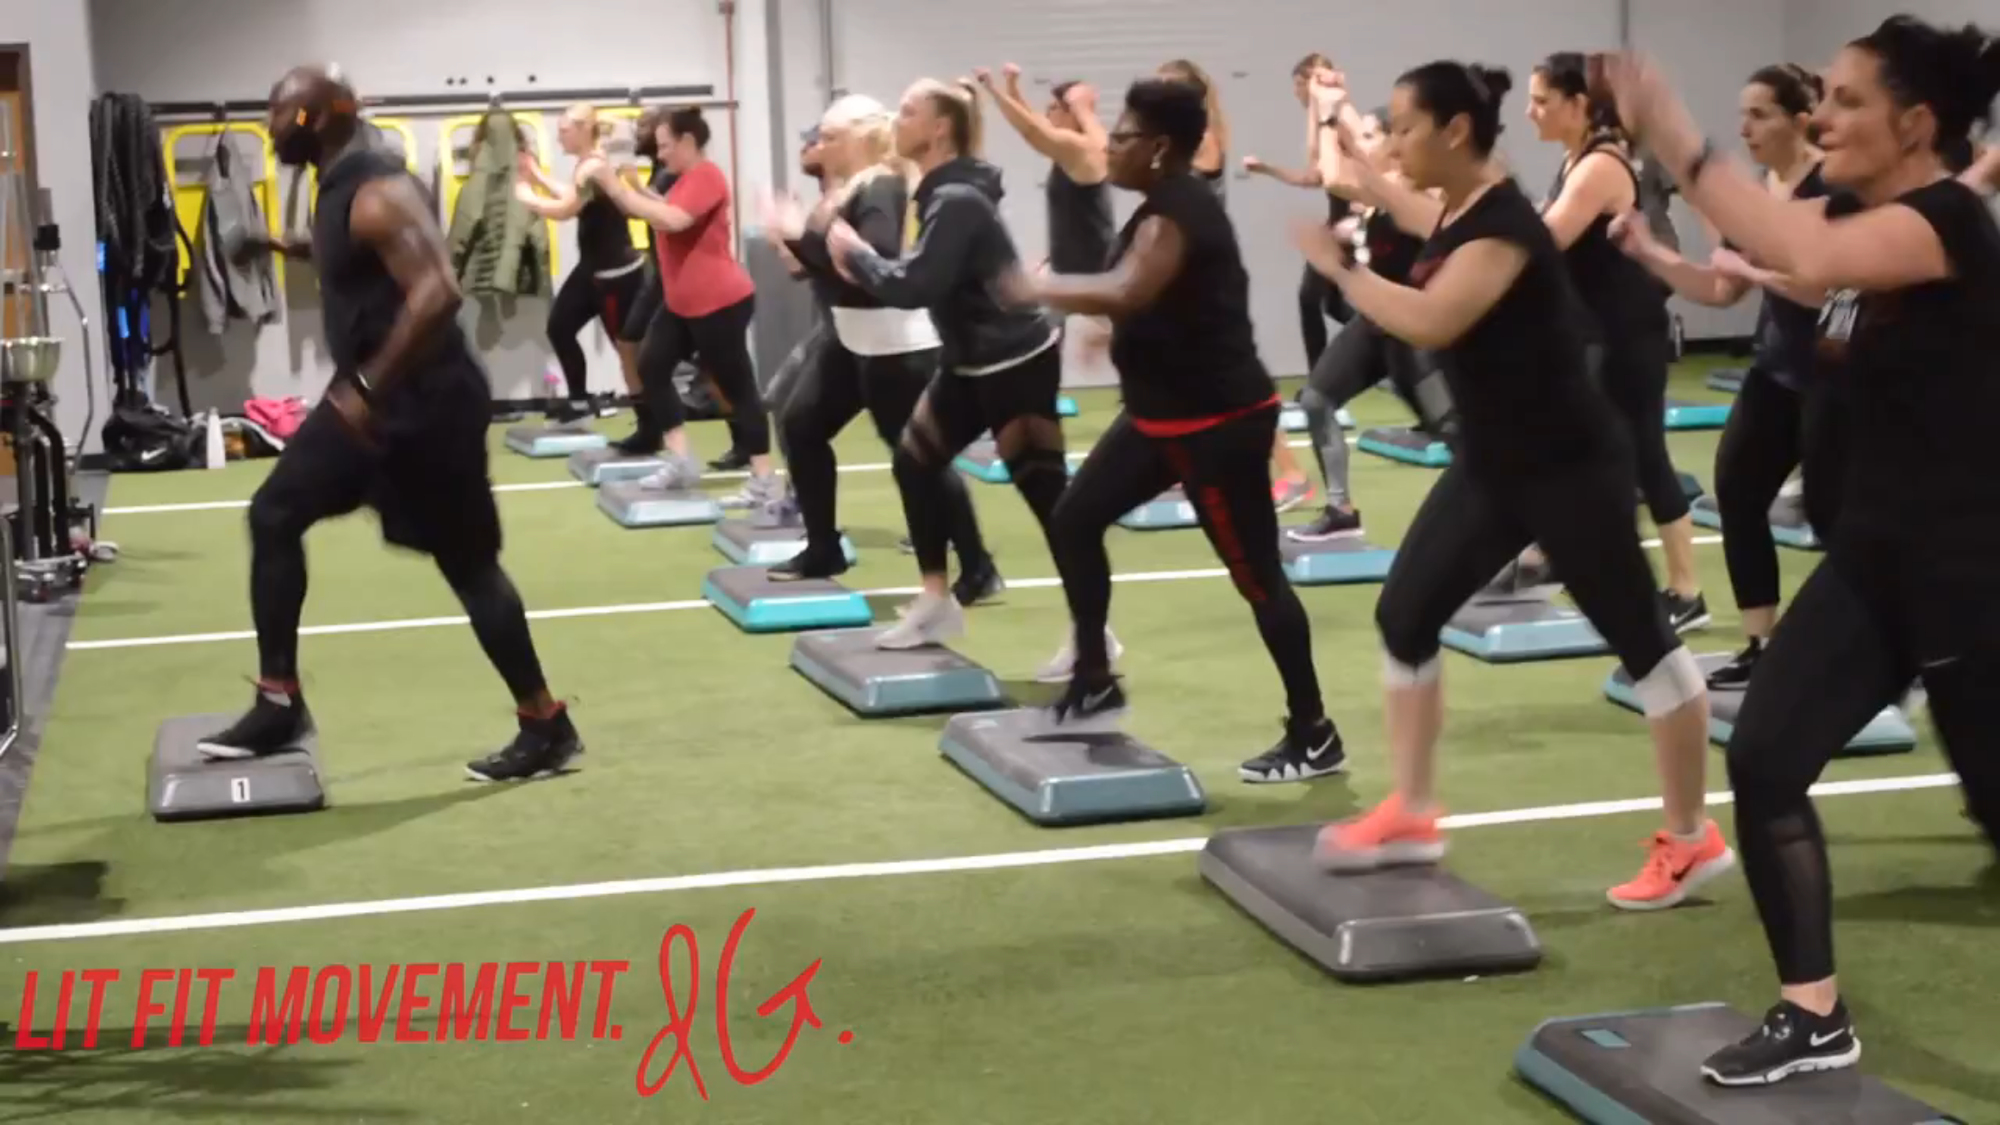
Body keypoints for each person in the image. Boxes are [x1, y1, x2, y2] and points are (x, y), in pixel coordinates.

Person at [1600, 17, 2000, 1085]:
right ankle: (1813, 1013)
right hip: (1873, 564)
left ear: (1914, 124)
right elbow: (1777, 247)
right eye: (1819, 97)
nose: (1821, 119)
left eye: (1847, 100)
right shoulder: (1853, 211)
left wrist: (1673, 133)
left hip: (1970, 577)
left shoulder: (1944, 223)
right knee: (1766, 759)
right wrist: (1668, 244)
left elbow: (1806, 253)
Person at [1296, 61, 1731, 911]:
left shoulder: (1503, 228)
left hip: (1570, 468)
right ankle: (1413, 811)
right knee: (1404, 615)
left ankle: (1692, 839)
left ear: (1456, 131)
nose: (1397, 142)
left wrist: (1343, 273)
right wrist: (1339, 127)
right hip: (1496, 463)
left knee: (1644, 644)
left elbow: (1433, 319)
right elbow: (1403, 202)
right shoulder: (1463, 206)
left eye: (1407, 127)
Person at [200, 65, 582, 782]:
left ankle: (544, 722)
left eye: (280, 114)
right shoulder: (339, 186)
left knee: (469, 567)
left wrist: (368, 388)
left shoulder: (378, 188)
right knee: (275, 514)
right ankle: (279, 700)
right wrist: (276, 244)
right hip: (377, 402)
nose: (271, 128)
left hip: (422, 407)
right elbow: (348, 247)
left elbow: (438, 291)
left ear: (314, 118)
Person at [1015, 78, 1344, 773]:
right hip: (1160, 417)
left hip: (1215, 426)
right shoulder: (1156, 208)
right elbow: (1146, 299)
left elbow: (1130, 288)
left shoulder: (1179, 211)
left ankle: (1314, 731)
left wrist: (1037, 287)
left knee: (1258, 579)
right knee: (1074, 520)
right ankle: (1095, 679)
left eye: (1123, 136)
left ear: (1159, 147)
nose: (1111, 146)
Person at [1610, 64, 1843, 687]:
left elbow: (1830, 289)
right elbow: (1721, 290)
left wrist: (1757, 270)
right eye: (1742, 116)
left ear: (1801, 121)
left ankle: (1898, 652)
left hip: (1838, 379)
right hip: (1777, 372)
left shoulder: (1832, 187)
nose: (1744, 129)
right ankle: (1762, 645)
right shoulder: (1766, 187)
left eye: (1759, 115)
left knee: (1840, 524)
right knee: (1738, 491)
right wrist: (1649, 252)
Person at [821, 78, 1071, 653]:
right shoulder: (936, 192)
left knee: (1051, 504)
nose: (896, 119)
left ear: (938, 129)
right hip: (967, 364)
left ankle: (1093, 636)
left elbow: (915, 286)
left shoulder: (956, 200)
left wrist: (855, 255)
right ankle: (935, 602)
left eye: (908, 111)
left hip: (1014, 365)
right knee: (914, 463)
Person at [763, 95, 1000, 599]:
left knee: (918, 457)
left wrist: (803, 233)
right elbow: (825, 264)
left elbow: (878, 260)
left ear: (860, 138)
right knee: (801, 426)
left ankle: (977, 566)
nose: (820, 144)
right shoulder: (848, 187)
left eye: (830, 137)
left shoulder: (881, 186)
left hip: (896, 346)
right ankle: (823, 547)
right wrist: (792, 238)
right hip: (852, 338)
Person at [1513, 53, 1706, 633]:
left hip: (1626, 333)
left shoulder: (1601, 165)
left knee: (1645, 456)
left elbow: (1544, 243)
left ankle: (1687, 591)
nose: (1530, 112)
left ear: (1578, 105)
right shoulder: (1574, 159)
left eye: (1541, 101)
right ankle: (1562, 553)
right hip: (1592, 331)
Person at [974, 62, 1126, 678]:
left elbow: (1038, 133)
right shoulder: (1076, 152)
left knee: (1169, 385)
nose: (1049, 117)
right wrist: (1013, 91)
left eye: (1057, 107)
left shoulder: (1085, 151)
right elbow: (1042, 131)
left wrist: (994, 92)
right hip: (1074, 286)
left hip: (1097, 289)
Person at [1290, 86, 1452, 543]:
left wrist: (1329, 115)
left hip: (1416, 331)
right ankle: (1340, 511)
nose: (1358, 143)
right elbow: (1334, 171)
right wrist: (1329, 110)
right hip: (1376, 323)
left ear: (1392, 143)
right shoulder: (1379, 191)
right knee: (1317, 400)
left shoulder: (1412, 188)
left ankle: (1519, 521)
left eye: (1367, 136)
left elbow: (1336, 174)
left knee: (1456, 434)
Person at [592, 107, 775, 506]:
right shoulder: (684, 180)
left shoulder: (707, 176)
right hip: (682, 303)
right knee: (651, 366)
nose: (660, 155)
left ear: (688, 142)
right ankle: (681, 461)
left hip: (719, 302)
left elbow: (672, 220)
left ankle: (764, 481)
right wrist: (627, 183)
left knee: (737, 387)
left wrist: (616, 187)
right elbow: (660, 206)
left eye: (665, 147)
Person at [1161, 57, 1316, 513]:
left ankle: (1292, 474)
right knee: (1178, 378)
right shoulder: (1181, 142)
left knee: (1234, 384)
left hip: (1206, 278)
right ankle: (1181, 465)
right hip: (1181, 274)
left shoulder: (1204, 140)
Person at [514, 104, 645, 425]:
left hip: (615, 275)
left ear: (585, 129)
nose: (559, 137)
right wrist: (537, 176)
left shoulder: (594, 167)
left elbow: (565, 210)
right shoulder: (587, 166)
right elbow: (573, 196)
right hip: (591, 270)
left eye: (564, 131)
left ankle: (652, 421)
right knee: (559, 328)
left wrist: (526, 195)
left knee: (628, 352)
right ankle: (578, 402)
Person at [1246, 53, 1355, 369]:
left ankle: (1322, 381)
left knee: (1310, 298)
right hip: (1337, 224)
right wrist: (1267, 169)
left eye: (1298, 85)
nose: (1295, 93)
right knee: (1330, 305)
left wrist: (1319, 107)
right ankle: (1388, 349)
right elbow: (1314, 176)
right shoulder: (1324, 121)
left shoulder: (1339, 120)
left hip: (1351, 226)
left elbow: (1339, 168)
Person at [612, 105, 682, 453]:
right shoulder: (658, 170)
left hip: (678, 279)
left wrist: (626, 184)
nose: (636, 134)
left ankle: (745, 440)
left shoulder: (671, 173)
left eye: (642, 128)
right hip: (659, 275)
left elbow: (656, 212)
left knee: (715, 364)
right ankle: (648, 429)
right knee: (629, 344)